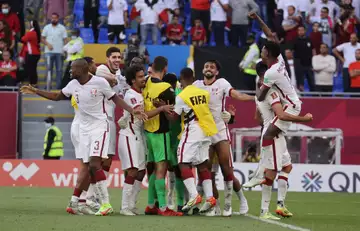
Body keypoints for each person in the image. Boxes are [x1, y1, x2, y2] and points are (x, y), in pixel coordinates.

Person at [20, 59, 146, 216]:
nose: (71, 71)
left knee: (94, 163)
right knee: (88, 165)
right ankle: (83, 200)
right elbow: (57, 95)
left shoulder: (100, 82)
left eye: (73, 69)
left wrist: (132, 110)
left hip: (100, 127)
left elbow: (115, 98)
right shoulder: (73, 84)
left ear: (83, 69)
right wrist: (36, 91)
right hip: (84, 130)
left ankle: (103, 203)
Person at [249, 61, 313, 220]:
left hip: (271, 129)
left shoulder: (259, 93)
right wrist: (304, 119)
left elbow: (256, 117)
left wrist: (266, 123)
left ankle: (280, 205)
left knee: (287, 167)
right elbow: (282, 115)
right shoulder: (272, 92)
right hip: (274, 132)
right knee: (271, 171)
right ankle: (264, 210)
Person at [193, 60, 254, 216]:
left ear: (217, 72)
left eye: (212, 67)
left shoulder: (222, 83)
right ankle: (215, 204)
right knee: (207, 172)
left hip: (220, 131)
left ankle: (234, 202)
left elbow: (236, 94)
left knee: (226, 169)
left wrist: (254, 98)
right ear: (202, 69)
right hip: (204, 133)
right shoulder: (196, 85)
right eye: (206, 66)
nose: (208, 69)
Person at [118, 65, 173, 216]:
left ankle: (132, 204)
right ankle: (124, 207)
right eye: (141, 77)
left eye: (144, 75)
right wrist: (161, 109)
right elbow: (144, 115)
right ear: (133, 80)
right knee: (133, 171)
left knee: (141, 172)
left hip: (139, 136)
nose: (144, 79)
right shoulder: (131, 95)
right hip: (129, 136)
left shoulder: (140, 93)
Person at [164, 67, 217, 214]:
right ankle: (210, 198)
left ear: (181, 80)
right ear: (193, 79)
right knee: (202, 165)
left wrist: (162, 108)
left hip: (192, 131)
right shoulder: (204, 93)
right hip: (206, 131)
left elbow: (174, 118)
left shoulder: (181, 96)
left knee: (182, 163)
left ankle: (194, 196)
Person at [142, 56, 182, 216]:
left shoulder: (145, 82)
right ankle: (164, 208)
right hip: (161, 132)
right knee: (161, 168)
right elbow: (175, 112)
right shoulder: (166, 87)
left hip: (147, 131)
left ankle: (151, 204)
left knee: (152, 169)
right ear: (165, 68)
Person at [96, 47, 128, 178]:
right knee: (96, 158)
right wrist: (118, 79)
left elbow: (122, 85)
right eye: (114, 57)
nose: (117, 60)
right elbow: (113, 80)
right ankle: (89, 192)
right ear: (107, 58)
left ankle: (97, 192)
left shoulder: (119, 72)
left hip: (110, 119)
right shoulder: (102, 69)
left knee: (109, 156)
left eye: (119, 57)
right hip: (99, 120)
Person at [162, 73, 185, 212]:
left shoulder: (180, 94)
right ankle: (170, 196)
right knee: (170, 168)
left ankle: (182, 201)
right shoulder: (162, 94)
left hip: (178, 135)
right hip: (166, 134)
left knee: (179, 169)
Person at [41, 12, 68, 89]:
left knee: (59, 70)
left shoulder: (62, 28)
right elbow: (42, 38)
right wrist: (48, 44)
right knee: (48, 69)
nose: (53, 19)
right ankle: (48, 85)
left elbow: (65, 40)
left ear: (58, 19)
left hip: (59, 52)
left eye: (55, 18)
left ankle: (58, 86)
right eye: (52, 18)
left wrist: (66, 50)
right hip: (48, 52)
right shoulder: (47, 27)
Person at [21, 20, 41, 86]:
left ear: (31, 25)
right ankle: (34, 83)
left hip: (31, 54)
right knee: (33, 69)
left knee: (31, 69)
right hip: (36, 54)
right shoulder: (37, 32)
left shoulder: (31, 33)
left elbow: (23, 39)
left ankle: (32, 83)